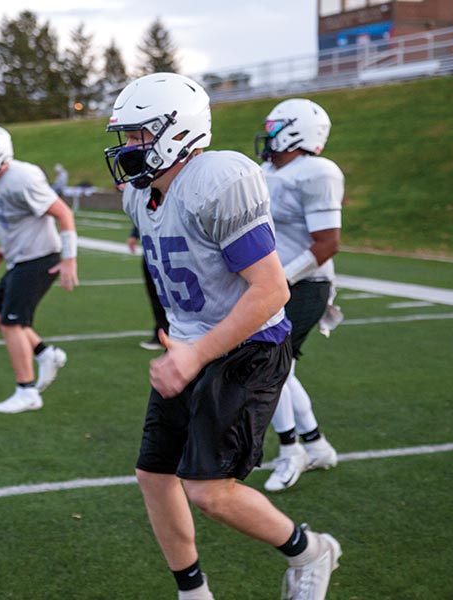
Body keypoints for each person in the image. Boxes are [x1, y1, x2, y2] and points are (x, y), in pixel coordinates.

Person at [104, 73, 340, 600]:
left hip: (246, 347)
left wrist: (195, 354)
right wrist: (184, 346)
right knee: (154, 475)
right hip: (190, 343)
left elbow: (270, 290)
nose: (128, 148)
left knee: (209, 491)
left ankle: (311, 550)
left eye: (140, 135)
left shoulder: (219, 179)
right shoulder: (141, 196)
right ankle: (193, 592)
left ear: (177, 131)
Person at [254, 99, 344, 493]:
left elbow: (327, 243)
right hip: (276, 283)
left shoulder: (318, 171)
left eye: (275, 126)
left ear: (296, 131)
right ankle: (315, 444)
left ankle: (293, 451)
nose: (268, 132)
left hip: (305, 285)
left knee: (267, 366)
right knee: (281, 368)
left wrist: (280, 280)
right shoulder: (266, 169)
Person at [0, 124, 78, 414]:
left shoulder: (22, 178)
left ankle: (26, 391)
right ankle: (45, 353)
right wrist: (5, 249)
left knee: (12, 323)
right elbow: (16, 220)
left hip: (40, 257)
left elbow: (63, 213)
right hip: (21, 256)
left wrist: (69, 258)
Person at [127, 224, 170, 350]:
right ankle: (162, 331)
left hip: (169, 245)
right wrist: (135, 233)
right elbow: (149, 208)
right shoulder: (152, 203)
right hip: (153, 247)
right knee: (156, 294)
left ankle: (166, 332)